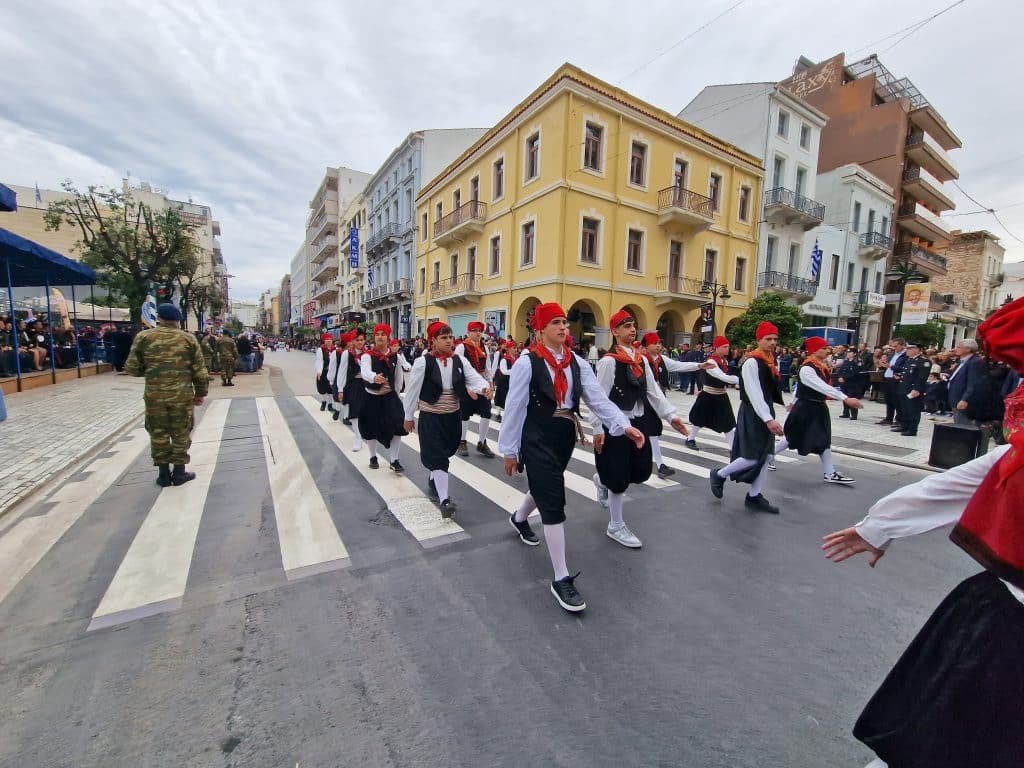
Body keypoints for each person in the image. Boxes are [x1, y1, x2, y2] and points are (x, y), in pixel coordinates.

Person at [821, 296, 1024, 768]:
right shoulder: (1016, 452)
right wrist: (880, 526)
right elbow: (960, 482)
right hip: (1005, 622)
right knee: (928, 741)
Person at [498, 303, 643, 612]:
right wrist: (509, 450)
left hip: (564, 434)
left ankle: (519, 518)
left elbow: (597, 399)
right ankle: (561, 577)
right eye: (555, 323)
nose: (563, 327)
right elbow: (514, 407)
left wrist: (624, 426)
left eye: (564, 322)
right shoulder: (528, 362)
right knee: (552, 498)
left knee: (544, 485)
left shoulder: (577, 362)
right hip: (536, 433)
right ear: (540, 330)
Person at [592, 312, 689, 548]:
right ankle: (616, 524)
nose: (632, 330)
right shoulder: (609, 361)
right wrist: (597, 428)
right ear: (615, 332)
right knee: (619, 479)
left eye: (633, 326)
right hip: (615, 425)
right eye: (626, 326)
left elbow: (653, 391)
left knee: (641, 471)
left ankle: (602, 480)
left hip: (638, 422)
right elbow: (598, 398)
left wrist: (672, 415)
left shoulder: (641, 359)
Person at [403, 322, 490, 517]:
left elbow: (473, 378)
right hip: (431, 416)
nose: (449, 341)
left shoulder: (459, 360)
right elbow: (412, 392)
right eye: (444, 338)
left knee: (448, 450)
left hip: (452, 416)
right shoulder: (423, 362)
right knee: (438, 456)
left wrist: (484, 387)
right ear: (433, 341)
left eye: (450, 337)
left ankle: (435, 476)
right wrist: (408, 416)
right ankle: (444, 500)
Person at [124, 304, 208, 487]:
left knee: (158, 433)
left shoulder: (144, 337)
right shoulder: (188, 339)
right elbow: (200, 372)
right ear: (178, 320)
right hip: (181, 396)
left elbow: (131, 368)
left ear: (158, 318)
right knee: (181, 432)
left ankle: (163, 475)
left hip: (155, 396)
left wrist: (152, 371)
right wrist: (200, 393)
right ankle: (179, 473)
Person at [709, 321, 786, 514]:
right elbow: (753, 393)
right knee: (752, 456)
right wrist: (768, 419)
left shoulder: (770, 360)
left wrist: (776, 410)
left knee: (767, 455)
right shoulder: (751, 362)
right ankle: (719, 474)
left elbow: (769, 390)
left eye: (775, 339)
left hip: (764, 409)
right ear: (758, 340)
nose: (772, 342)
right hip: (753, 411)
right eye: (768, 339)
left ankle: (754, 495)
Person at [773, 337, 862, 483]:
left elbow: (803, 388)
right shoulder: (807, 368)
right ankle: (766, 457)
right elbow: (821, 386)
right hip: (806, 408)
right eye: (824, 347)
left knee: (823, 439)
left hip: (817, 407)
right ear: (814, 350)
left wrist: (792, 401)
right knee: (792, 437)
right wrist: (845, 398)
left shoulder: (820, 366)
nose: (827, 350)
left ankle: (830, 472)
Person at [358, 323, 407, 472]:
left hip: (390, 397)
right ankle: (373, 456)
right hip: (371, 397)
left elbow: (399, 378)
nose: (380, 337)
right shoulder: (367, 355)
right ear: (374, 337)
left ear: (388, 337)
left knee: (398, 426)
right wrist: (374, 377)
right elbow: (365, 371)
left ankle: (394, 459)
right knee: (371, 428)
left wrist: (397, 395)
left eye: (383, 334)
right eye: (377, 334)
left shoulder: (395, 357)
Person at [686, 335, 739, 451]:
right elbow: (722, 377)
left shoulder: (723, 360)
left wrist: (736, 382)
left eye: (728, 347)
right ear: (717, 347)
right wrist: (739, 380)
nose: (727, 349)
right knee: (699, 418)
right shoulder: (711, 361)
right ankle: (690, 438)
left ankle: (734, 448)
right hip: (708, 394)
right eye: (725, 347)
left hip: (721, 395)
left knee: (728, 422)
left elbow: (726, 378)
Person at [453, 321, 496, 458]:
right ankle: (462, 441)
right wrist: (465, 388)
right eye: (475, 330)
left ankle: (482, 442)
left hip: (482, 385)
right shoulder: (461, 347)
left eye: (480, 330)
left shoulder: (484, 347)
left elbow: (487, 367)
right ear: (469, 332)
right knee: (464, 414)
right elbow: (457, 369)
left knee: (486, 412)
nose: (478, 333)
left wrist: (490, 384)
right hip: (467, 385)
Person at [946, 338, 992, 426]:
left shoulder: (975, 362)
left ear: (968, 349)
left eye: (959, 347)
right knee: (958, 424)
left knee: (964, 426)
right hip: (956, 398)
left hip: (964, 400)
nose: (956, 349)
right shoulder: (961, 361)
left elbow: (974, 383)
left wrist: (965, 399)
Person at [896, 343, 930, 437]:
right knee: (904, 409)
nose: (907, 350)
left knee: (913, 410)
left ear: (918, 350)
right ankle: (904, 426)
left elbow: (922, 377)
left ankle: (912, 429)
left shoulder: (924, 361)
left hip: (913, 389)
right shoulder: (909, 360)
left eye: (910, 349)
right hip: (904, 388)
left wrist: (917, 389)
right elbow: (906, 373)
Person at [878, 339, 907, 427]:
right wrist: (883, 365)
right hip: (888, 378)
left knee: (897, 401)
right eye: (893, 346)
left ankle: (899, 420)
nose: (894, 348)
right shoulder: (892, 354)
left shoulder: (905, 355)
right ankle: (888, 418)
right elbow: (888, 365)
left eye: (896, 346)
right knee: (888, 400)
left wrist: (892, 367)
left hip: (896, 380)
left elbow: (904, 368)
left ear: (902, 345)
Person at [836, 348, 866, 420]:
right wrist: (840, 377)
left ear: (854, 354)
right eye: (848, 352)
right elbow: (840, 370)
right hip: (844, 383)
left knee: (852, 397)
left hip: (853, 383)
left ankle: (854, 414)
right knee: (845, 397)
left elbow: (855, 373)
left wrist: (844, 378)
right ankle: (846, 413)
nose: (848, 354)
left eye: (850, 352)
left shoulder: (857, 362)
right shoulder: (846, 361)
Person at [313, 333, 336, 414]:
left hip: (332, 372)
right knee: (322, 388)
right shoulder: (321, 350)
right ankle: (323, 402)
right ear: (324, 341)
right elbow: (319, 361)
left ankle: (330, 405)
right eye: (327, 339)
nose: (329, 341)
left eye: (330, 339)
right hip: (323, 371)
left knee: (330, 389)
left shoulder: (335, 349)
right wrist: (319, 371)